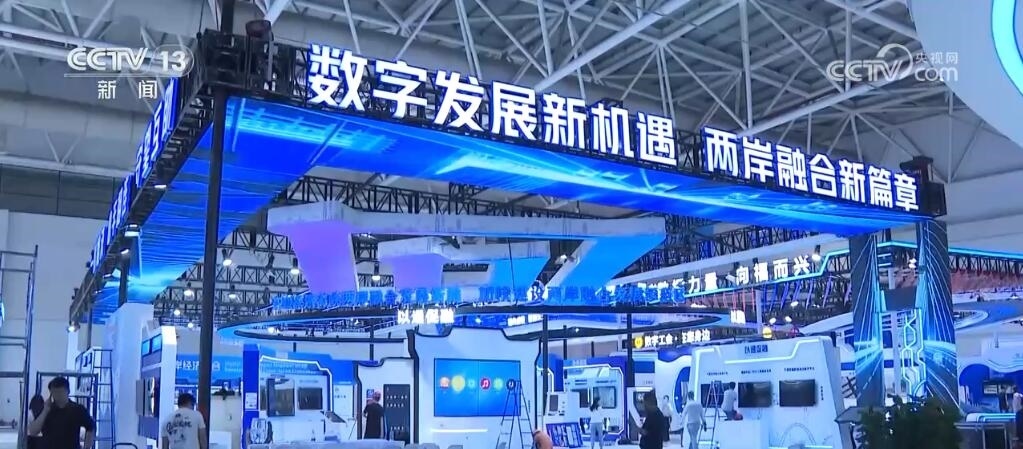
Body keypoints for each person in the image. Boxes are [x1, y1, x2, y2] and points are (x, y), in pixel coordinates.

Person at [27, 377, 95, 449]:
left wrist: (87, 447)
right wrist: (45, 411)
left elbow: (90, 427)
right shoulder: (47, 409)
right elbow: (33, 431)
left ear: (68, 391)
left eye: (61, 392)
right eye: (55, 392)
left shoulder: (77, 409)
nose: (58, 395)